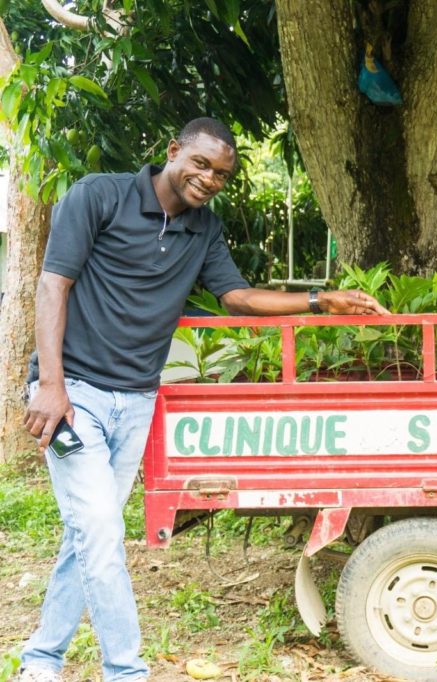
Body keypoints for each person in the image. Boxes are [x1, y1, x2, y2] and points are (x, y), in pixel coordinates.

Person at [18, 117, 388, 682]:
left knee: (89, 535)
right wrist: (51, 384)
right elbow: (53, 284)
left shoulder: (204, 230)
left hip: (136, 400)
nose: (209, 178)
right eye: (201, 163)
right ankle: (127, 672)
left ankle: (40, 663)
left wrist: (320, 300)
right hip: (75, 397)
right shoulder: (99, 196)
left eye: (221, 173)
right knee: (99, 531)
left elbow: (236, 297)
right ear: (173, 151)